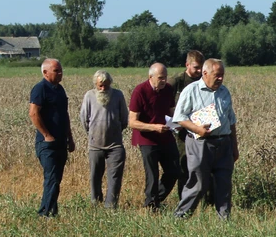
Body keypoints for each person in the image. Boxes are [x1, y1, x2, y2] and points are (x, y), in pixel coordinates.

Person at [174, 58, 239, 220]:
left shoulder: (224, 91)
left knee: (224, 183)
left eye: (222, 75)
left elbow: (231, 121)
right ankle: (180, 217)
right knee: (198, 183)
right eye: (217, 75)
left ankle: (224, 220)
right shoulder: (191, 91)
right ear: (205, 73)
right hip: (199, 144)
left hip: (224, 143)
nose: (220, 79)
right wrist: (197, 129)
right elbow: (179, 117)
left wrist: (234, 146)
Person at [128, 62, 180, 210]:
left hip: (166, 137)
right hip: (147, 140)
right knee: (152, 174)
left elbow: (171, 112)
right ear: (150, 77)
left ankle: (156, 199)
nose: (164, 81)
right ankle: (151, 206)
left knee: (174, 170)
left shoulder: (168, 90)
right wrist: (153, 127)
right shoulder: (140, 91)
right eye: (160, 78)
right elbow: (132, 122)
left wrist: (177, 123)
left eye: (165, 77)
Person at [29, 58, 75, 217]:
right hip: (47, 144)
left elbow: (65, 114)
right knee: (52, 178)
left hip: (61, 141)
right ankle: (45, 213)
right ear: (45, 72)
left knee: (56, 179)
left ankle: (52, 211)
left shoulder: (60, 90)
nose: (61, 73)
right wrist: (47, 135)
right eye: (57, 71)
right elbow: (33, 113)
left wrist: (70, 137)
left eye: (61, 70)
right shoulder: (40, 89)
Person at [79, 69, 129, 209]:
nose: (103, 88)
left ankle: (111, 205)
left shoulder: (118, 95)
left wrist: (117, 129)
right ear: (95, 84)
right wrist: (92, 133)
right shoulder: (89, 96)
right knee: (95, 175)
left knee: (115, 177)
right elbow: (84, 119)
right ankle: (96, 203)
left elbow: (124, 118)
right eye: (100, 85)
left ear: (110, 84)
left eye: (106, 85)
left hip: (115, 145)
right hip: (95, 145)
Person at [171, 50, 205, 201]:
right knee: (184, 165)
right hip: (181, 132)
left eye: (201, 68)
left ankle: (205, 200)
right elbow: (166, 104)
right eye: (196, 67)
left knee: (204, 165)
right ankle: (183, 200)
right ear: (187, 65)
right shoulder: (176, 81)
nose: (199, 71)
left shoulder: (205, 81)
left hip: (202, 130)